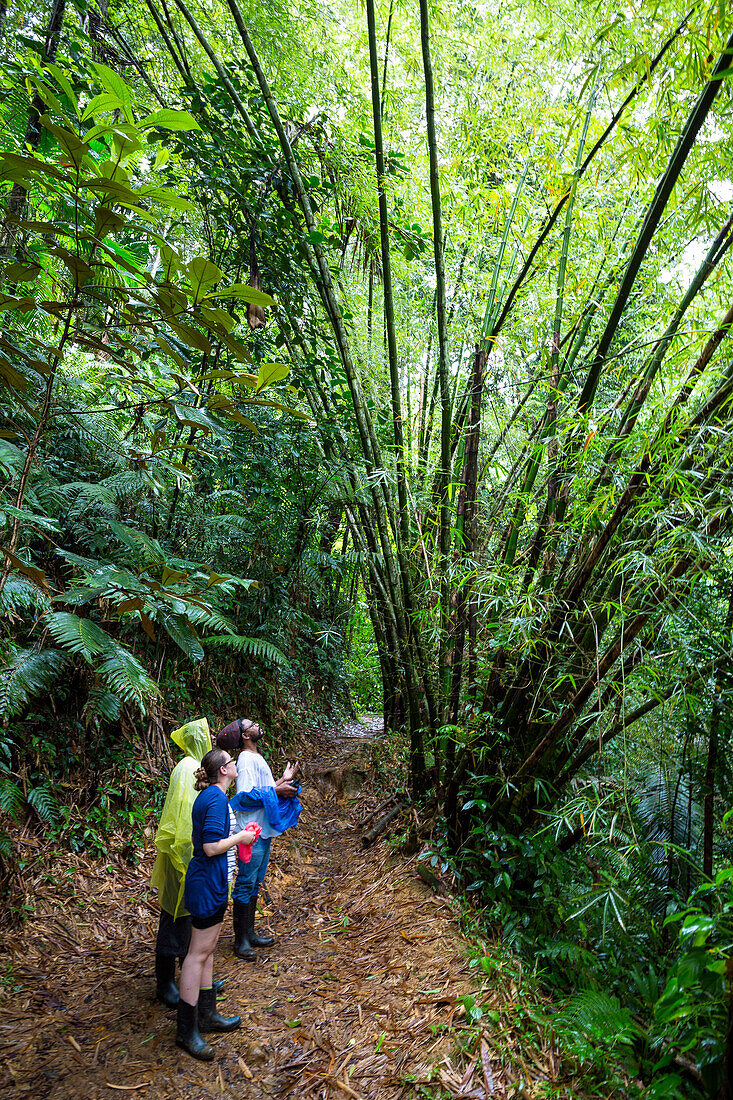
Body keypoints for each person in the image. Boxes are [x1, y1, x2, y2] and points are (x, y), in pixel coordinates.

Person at [176, 748, 257, 1061]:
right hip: (207, 882)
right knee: (196, 955)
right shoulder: (215, 800)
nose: (235, 764)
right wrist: (241, 839)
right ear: (223, 770)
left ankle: (207, 1015)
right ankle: (186, 1030)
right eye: (231, 762)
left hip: (212, 882)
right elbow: (210, 847)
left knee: (206, 952)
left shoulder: (213, 797)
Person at [216, 718, 301, 961]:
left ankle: (250, 933)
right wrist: (277, 790)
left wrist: (282, 781)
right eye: (251, 724)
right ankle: (240, 941)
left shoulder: (256, 758)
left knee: (253, 883)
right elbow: (243, 798)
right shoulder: (244, 759)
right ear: (244, 735)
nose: (257, 725)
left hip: (261, 830)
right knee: (245, 883)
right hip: (251, 833)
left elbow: (261, 791)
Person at [150, 717, 213, 1008]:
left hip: (187, 857)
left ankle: (191, 976)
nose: (211, 737)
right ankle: (164, 983)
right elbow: (183, 817)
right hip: (181, 857)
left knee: (187, 918)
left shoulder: (194, 766)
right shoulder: (188, 768)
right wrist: (188, 857)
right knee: (173, 918)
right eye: (207, 734)